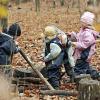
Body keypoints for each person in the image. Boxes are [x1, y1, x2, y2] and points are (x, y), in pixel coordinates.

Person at [68, 11, 100, 80]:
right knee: (86, 68)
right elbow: (79, 38)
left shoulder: (88, 34)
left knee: (79, 69)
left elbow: (84, 45)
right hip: (81, 54)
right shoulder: (83, 30)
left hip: (84, 54)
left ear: (87, 23)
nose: (81, 23)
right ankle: (96, 75)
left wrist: (74, 44)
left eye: (82, 22)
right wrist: (72, 35)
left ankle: (78, 81)